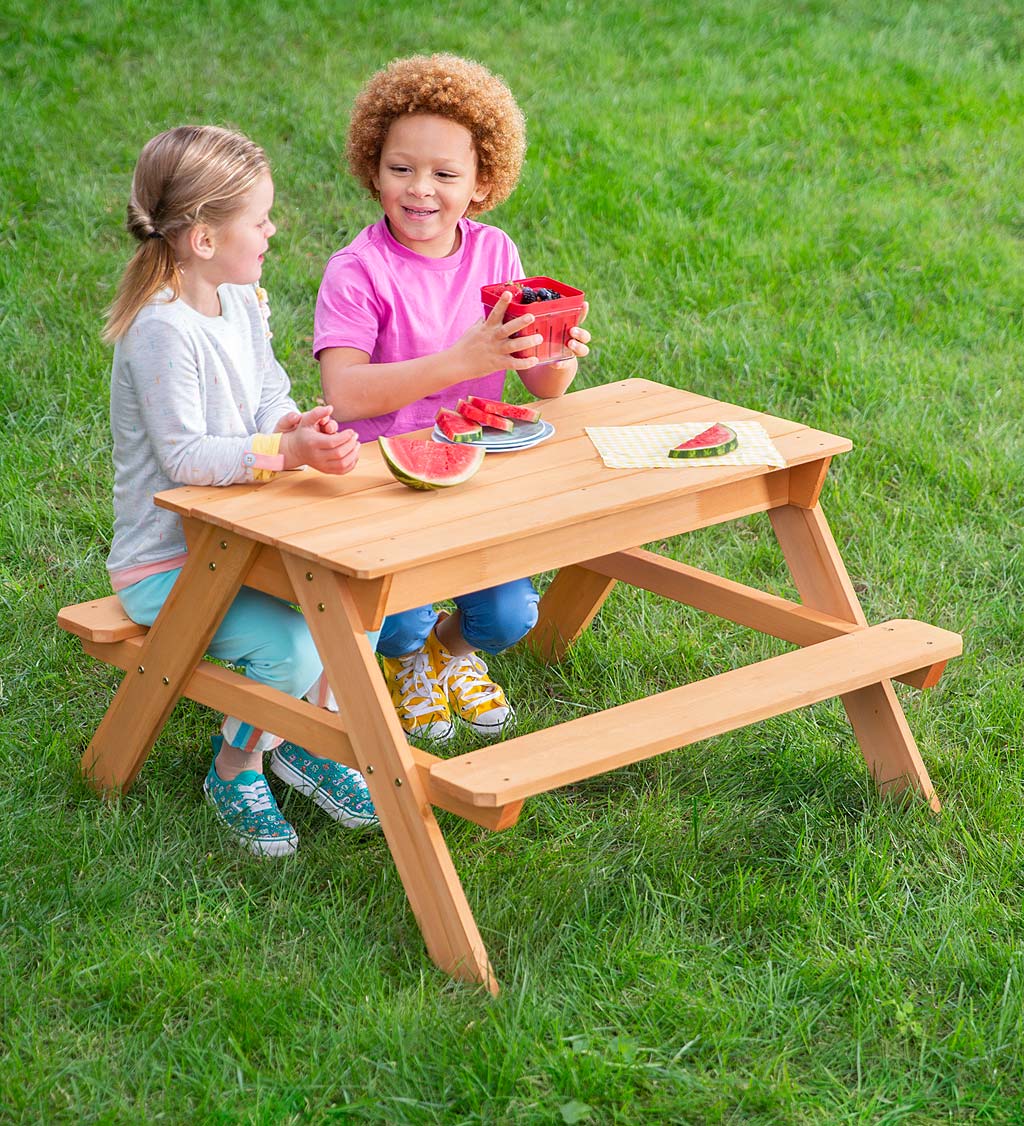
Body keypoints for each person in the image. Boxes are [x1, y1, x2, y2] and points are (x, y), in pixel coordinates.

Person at [103, 125, 378, 858]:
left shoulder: (240, 299)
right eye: (259, 220)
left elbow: (266, 390)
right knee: (293, 647)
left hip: (244, 537)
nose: (272, 230)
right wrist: (283, 453)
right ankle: (237, 764)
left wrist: (293, 424)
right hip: (166, 566)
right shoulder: (162, 330)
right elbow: (187, 455)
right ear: (201, 238)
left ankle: (302, 745)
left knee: (357, 613)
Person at [315, 54, 591, 746]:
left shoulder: (495, 252)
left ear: (483, 182)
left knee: (509, 618)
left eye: (446, 174)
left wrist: (556, 349)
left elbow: (543, 386)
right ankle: (411, 656)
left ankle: (453, 651)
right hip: (382, 481)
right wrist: (461, 362)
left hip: (479, 469)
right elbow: (344, 394)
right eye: (401, 169)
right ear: (372, 167)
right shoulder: (357, 271)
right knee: (395, 618)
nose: (421, 191)